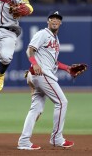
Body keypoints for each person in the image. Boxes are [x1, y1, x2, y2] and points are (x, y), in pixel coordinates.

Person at [17, 11, 74, 150]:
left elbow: (53, 62)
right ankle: (56, 138)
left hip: (41, 74)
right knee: (62, 102)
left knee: (35, 109)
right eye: (52, 18)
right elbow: (29, 50)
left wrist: (67, 68)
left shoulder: (55, 39)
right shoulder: (43, 34)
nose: (55, 20)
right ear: (48, 21)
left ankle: (24, 141)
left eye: (58, 19)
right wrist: (34, 63)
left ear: (60, 23)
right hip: (42, 74)